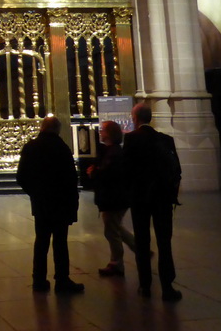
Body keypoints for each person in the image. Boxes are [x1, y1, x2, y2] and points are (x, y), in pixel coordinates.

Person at [16, 116, 84, 294]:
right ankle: (62, 280)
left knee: (41, 241)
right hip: (60, 202)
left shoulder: (31, 147)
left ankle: (38, 279)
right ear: (57, 130)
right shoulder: (62, 148)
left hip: (41, 202)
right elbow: (71, 178)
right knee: (60, 242)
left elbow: (21, 177)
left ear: (41, 128)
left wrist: (35, 193)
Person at [123, 103, 183, 301]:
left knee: (142, 241)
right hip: (162, 197)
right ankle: (167, 286)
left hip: (140, 197)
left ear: (135, 118)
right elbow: (177, 169)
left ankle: (145, 285)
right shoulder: (166, 140)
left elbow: (127, 169)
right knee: (164, 241)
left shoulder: (131, 139)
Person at [87, 120, 136, 277]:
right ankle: (140, 249)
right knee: (115, 228)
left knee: (111, 231)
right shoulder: (111, 151)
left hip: (113, 198)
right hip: (115, 197)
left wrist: (94, 172)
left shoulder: (113, 153)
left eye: (103, 130)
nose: (100, 132)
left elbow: (108, 175)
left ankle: (116, 263)